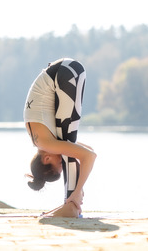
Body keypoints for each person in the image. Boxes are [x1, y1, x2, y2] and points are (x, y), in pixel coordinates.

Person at [23, 58, 96, 217]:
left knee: (69, 152)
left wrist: (77, 191)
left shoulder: (46, 143)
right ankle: (67, 204)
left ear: (47, 159)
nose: (63, 164)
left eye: (59, 166)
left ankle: (70, 205)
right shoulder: (43, 139)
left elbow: (89, 156)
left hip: (66, 73)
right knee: (70, 150)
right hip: (66, 71)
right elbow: (87, 151)